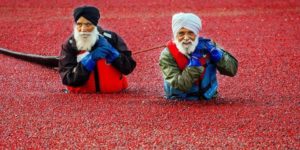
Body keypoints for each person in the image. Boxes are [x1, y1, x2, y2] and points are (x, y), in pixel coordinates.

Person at [159, 12, 238, 100]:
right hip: (179, 101)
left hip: (210, 100)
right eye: (181, 33)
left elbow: (232, 71)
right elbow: (179, 85)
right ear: (175, 35)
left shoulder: (208, 46)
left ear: (196, 34)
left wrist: (219, 55)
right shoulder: (167, 55)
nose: (186, 38)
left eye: (190, 33)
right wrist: (195, 65)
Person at [59, 6, 136, 93]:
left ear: (95, 25)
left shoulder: (112, 38)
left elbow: (128, 68)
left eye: (88, 24)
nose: (83, 29)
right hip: (83, 99)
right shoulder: (69, 45)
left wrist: (112, 53)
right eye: (79, 24)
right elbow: (67, 79)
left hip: (117, 97)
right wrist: (89, 60)